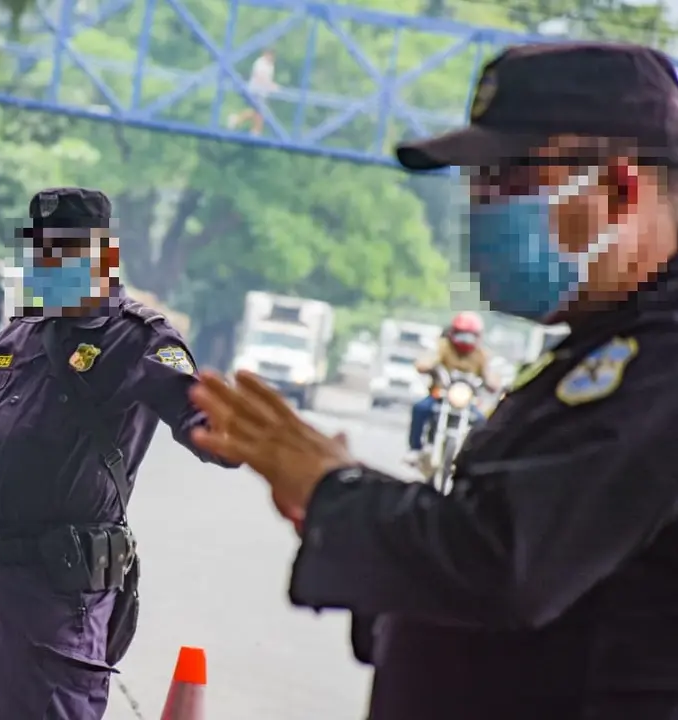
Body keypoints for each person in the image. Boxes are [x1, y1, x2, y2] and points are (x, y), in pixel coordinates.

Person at [185, 41, 678, 719]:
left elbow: (507, 562)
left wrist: (340, 494)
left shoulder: (659, 368)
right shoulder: (598, 348)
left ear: (620, 189)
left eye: (507, 175)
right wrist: (343, 507)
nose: (481, 203)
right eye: (476, 181)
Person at [0, 187, 234, 720]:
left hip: (58, 594)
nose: (47, 263)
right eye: (41, 250)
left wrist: (233, 435)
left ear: (103, 257)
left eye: (63, 251)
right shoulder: (19, 334)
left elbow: (199, 420)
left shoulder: (139, 340)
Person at [403, 310, 495, 464]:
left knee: (482, 423)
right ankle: (415, 449)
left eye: (470, 336)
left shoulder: (481, 355)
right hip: (441, 395)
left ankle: (474, 459)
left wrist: (492, 383)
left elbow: (490, 378)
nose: (465, 340)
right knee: (420, 408)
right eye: (462, 335)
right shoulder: (443, 346)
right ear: (452, 333)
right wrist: (427, 365)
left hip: (466, 401)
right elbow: (427, 361)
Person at [228, 50, 278, 134]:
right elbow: (258, 76)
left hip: (263, 92)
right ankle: (254, 130)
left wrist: (272, 85)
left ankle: (248, 127)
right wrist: (269, 85)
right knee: (260, 111)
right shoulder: (260, 63)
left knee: (258, 112)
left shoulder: (270, 65)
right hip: (256, 90)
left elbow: (268, 79)